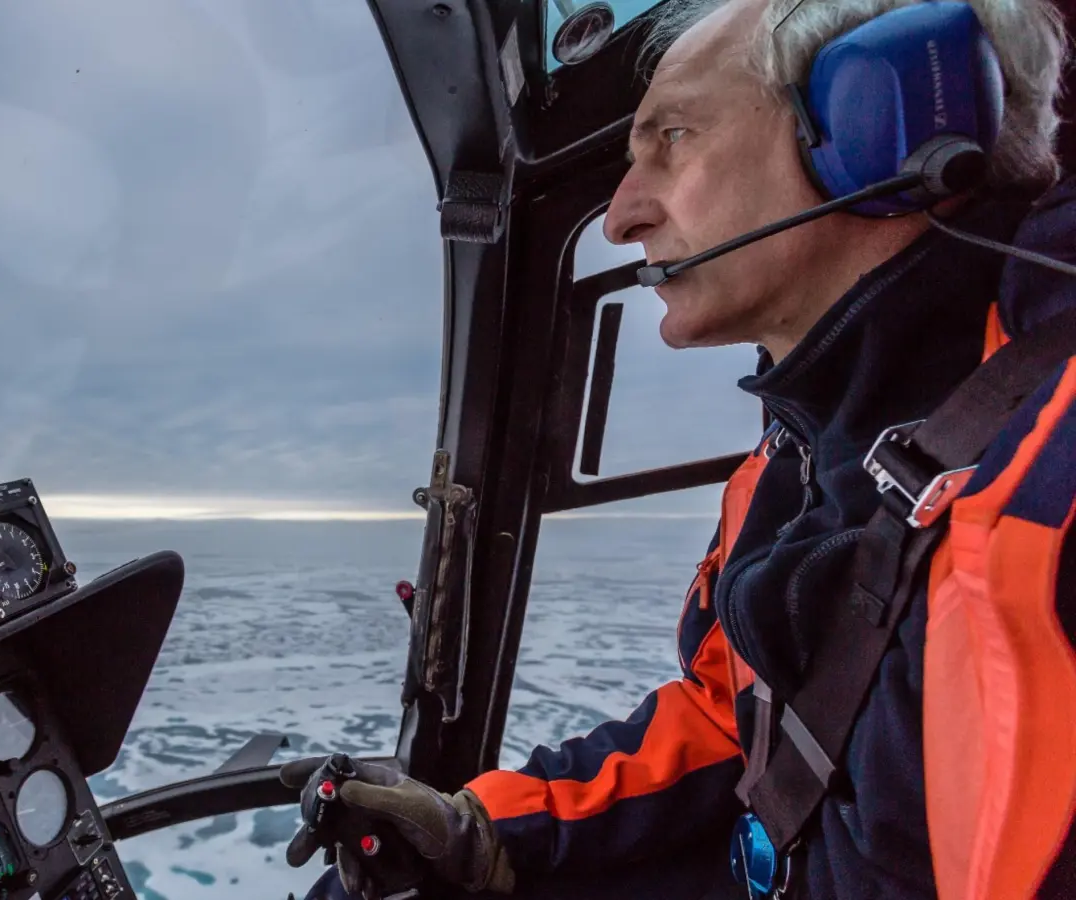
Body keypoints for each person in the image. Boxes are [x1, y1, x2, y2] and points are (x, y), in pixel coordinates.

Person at [285, 0, 1076, 897]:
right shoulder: (793, 461)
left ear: (876, 122)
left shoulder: (1048, 475)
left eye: (672, 136)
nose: (621, 218)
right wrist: (492, 835)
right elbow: (742, 727)